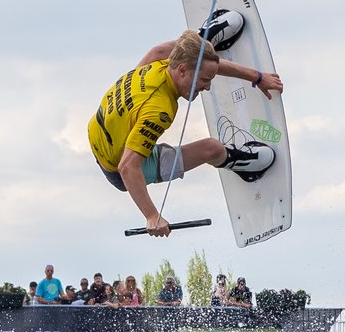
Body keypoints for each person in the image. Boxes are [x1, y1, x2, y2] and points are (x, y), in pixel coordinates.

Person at [88, 29, 285, 236]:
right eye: (203, 80)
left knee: (194, 57)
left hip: (102, 135)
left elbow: (180, 55)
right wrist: (152, 215)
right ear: (182, 70)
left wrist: (257, 76)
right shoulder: (159, 110)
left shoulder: (160, 59)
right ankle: (241, 162)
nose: (207, 88)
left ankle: (203, 37)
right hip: (118, 170)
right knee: (212, 148)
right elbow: (128, 167)